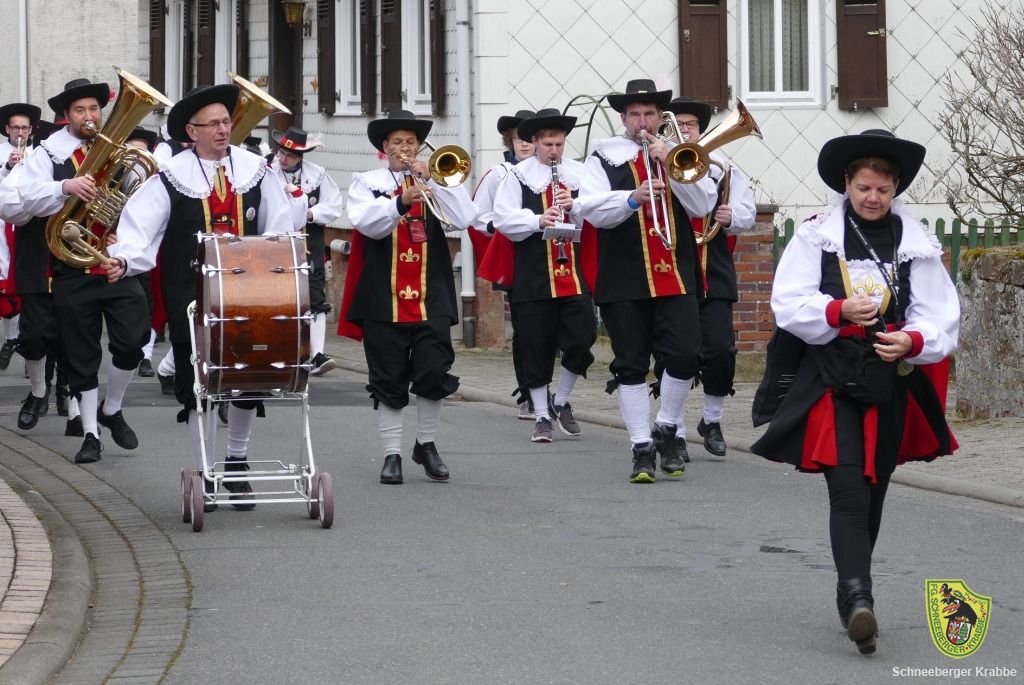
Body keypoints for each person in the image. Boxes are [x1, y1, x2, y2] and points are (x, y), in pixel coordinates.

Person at [750, 130, 959, 655]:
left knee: (875, 489)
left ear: (895, 188)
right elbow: (787, 302)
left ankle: (851, 593)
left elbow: (940, 316)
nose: (873, 198)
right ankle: (860, 596)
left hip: (889, 381)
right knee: (847, 487)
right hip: (831, 377)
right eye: (864, 187)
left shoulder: (915, 242)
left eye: (883, 190)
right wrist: (836, 309)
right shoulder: (817, 236)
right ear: (847, 183)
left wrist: (911, 340)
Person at [106, 83, 300, 509]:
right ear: (191, 132)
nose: (223, 130)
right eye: (213, 124)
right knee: (198, 385)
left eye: (226, 122)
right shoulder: (170, 176)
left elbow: (279, 226)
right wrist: (124, 259)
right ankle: (206, 469)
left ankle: (236, 462)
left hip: (250, 295)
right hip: (190, 297)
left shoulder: (255, 170)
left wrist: (282, 271)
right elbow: (140, 228)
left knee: (248, 379)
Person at [577, 78, 717, 483]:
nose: (642, 122)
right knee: (631, 363)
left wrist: (672, 164)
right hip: (624, 274)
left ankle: (667, 427)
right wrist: (631, 198)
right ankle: (641, 446)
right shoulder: (604, 157)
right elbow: (589, 209)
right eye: (635, 114)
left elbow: (703, 204)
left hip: (675, 271)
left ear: (660, 117)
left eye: (650, 114)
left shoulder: (679, 152)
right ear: (624, 118)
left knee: (686, 355)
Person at [339, 110, 478, 484]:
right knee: (388, 376)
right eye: (398, 142)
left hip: (431, 292)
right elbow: (366, 223)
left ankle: (426, 444)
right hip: (383, 294)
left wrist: (436, 180)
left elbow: (465, 218)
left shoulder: (433, 178)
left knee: (434, 369)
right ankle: (392, 454)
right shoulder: (367, 183)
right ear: (384, 147)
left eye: (412, 142)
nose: (405, 148)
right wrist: (401, 201)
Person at [2, 78, 136, 460]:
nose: (88, 116)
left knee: (78, 338)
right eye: (80, 110)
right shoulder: (44, 155)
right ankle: (39, 392)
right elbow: (12, 205)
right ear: (66, 116)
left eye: (94, 109)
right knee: (36, 336)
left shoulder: (112, 152)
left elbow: (130, 200)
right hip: (41, 256)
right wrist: (63, 190)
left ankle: (78, 411)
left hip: (89, 259)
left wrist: (119, 230)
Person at [491, 108, 596, 443]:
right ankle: (540, 415)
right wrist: (538, 220)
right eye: (548, 144)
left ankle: (561, 401)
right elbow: (502, 218)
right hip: (533, 270)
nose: (554, 151)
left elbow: (598, 215)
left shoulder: (579, 173)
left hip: (572, 271)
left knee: (582, 337)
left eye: (559, 144)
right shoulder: (518, 176)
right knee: (535, 344)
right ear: (534, 142)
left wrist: (575, 206)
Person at [663, 97, 756, 460]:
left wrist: (733, 216)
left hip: (713, 267)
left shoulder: (724, 167)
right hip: (675, 268)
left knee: (720, 349)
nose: (684, 130)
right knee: (676, 352)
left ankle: (712, 420)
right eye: (678, 125)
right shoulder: (660, 164)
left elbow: (748, 213)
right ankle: (675, 429)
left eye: (690, 125)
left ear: (700, 129)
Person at [473, 109, 536, 420]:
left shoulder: (556, 171)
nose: (524, 143)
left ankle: (556, 392)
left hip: (553, 256)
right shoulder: (499, 174)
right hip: (516, 256)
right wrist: (498, 226)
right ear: (510, 141)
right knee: (525, 328)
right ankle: (529, 391)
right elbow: (478, 215)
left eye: (529, 137)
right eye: (518, 137)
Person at [270, 126, 344, 376]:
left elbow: (334, 205)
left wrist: (311, 213)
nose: (283, 159)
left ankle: (317, 355)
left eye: (290, 155)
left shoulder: (317, 175)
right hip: (277, 241)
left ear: (300, 156)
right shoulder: (269, 172)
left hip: (309, 240)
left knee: (314, 294)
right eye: (281, 153)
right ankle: (279, 350)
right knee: (278, 296)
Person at [0, 102, 41, 371]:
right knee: (6, 285)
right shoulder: (0, 152)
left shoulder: (39, 155)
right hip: (3, 225)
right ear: (7, 129)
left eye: (24, 128)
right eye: (15, 127)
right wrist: (7, 167)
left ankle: (29, 348)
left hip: (29, 224)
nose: (20, 132)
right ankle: (11, 338)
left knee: (28, 284)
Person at [122, 126, 160, 379]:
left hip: (146, 252)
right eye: (132, 153)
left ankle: (145, 355)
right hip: (113, 253)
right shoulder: (113, 179)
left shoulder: (155, 184)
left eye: (142, 154)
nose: (137, 160)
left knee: (147, 303)